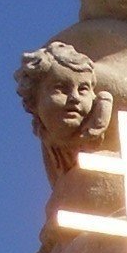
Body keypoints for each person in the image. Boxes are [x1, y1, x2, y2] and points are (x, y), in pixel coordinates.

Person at [14, 41, 114, 184]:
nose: (74, 98)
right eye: (61, 89)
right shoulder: (46, 136)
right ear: (33, 99)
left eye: (83, 89)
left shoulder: (108, 117)